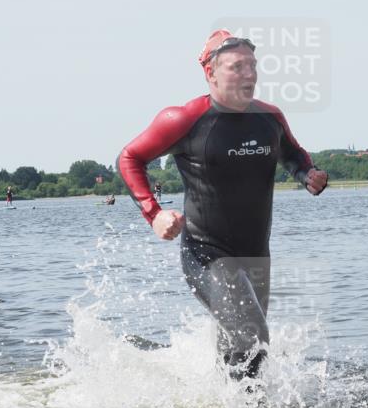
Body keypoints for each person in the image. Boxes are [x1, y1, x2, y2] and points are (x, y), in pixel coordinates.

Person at [118, 29, 328, 380]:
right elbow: (129, 157)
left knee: (241, 342)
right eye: (237, 67)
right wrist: (154, 214)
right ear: (210, 73)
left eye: (252, 65)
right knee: (252, 336)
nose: (249, 75)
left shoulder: (269, 118)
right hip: (206, 254)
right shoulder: (185, 120)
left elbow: (293, 154)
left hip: (257, 255)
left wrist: (307, 174)